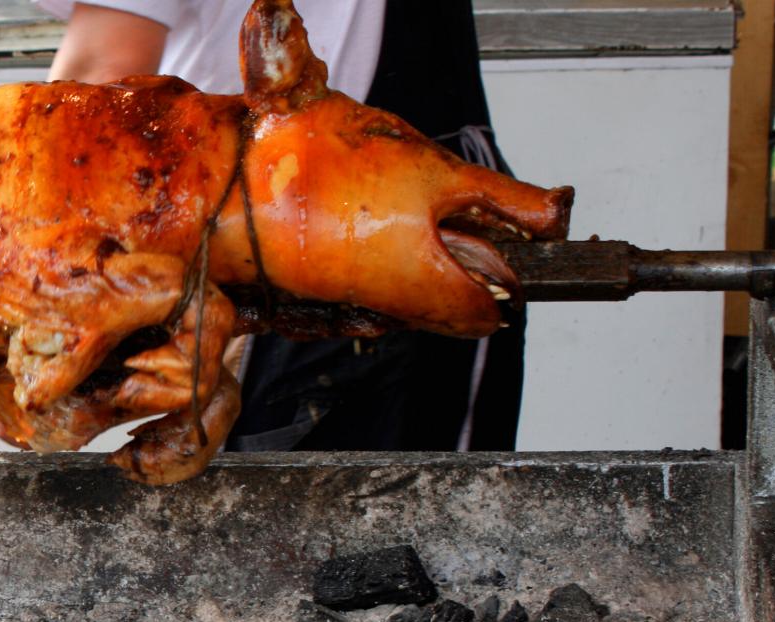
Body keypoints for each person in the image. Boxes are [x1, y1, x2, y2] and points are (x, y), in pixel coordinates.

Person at [39, 1, 529, 452]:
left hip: (305, 216)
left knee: (290, 520)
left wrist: (39, 314)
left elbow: (94, 88)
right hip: (351, 211)